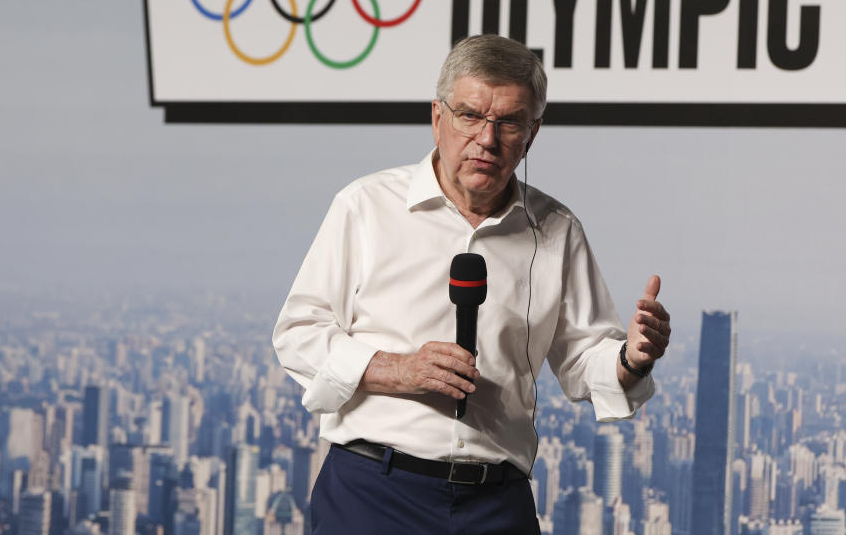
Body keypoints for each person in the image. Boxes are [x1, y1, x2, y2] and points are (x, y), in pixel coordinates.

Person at [272, 34, 671, 534]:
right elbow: (297, 335)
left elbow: (585, 361)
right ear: (438, 117)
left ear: (533, 134)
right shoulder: (366, 206)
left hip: (495, 505)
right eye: (470, 116)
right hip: (372, 491)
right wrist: (396, 369)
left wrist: (631, 359)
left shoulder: (555, 229)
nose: (487, 138)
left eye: (508, 122)